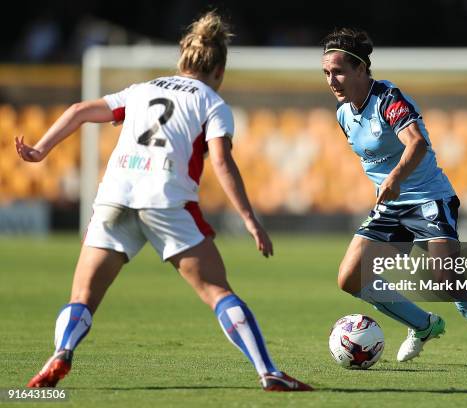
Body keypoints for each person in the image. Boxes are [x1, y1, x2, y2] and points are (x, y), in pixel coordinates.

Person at [16, 11, 312, 391]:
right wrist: (251, 220)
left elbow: (78, 111)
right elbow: (220, 160)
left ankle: (61, 351)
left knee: (82, 298)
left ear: (181, 61)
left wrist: (41, 149)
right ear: (219, 71)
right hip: (166, 201)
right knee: (218, 291)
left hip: (115, 196)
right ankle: (268, 371)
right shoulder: (212, 103)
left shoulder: (142, 89)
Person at [321, 28, 467, 370]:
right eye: (326, 73)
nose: (331, 80)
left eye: (338, 71)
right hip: (391, 208)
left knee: (447, 277)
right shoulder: (342, 115)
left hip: (429, 199)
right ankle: (423, 325)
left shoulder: (388, 99)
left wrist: (395, 179)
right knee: (350, 278)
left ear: (360, 69)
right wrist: (389, 189)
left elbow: (417, 144)